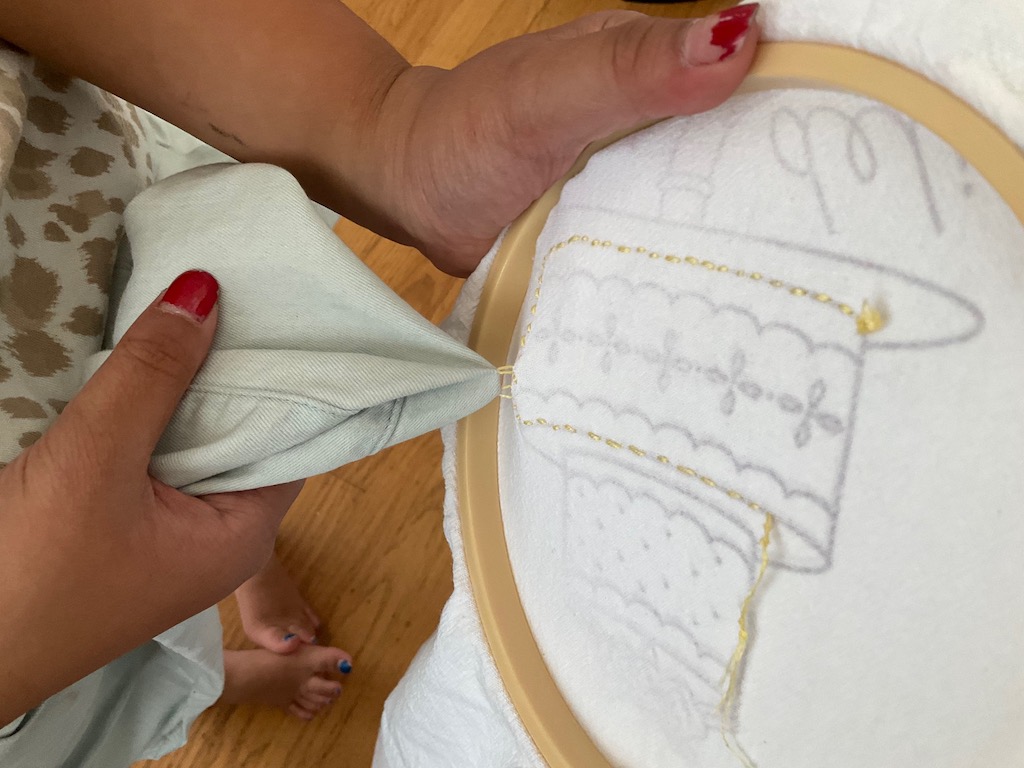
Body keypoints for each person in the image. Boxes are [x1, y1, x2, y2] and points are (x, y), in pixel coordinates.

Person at [0, 0, 760, 763]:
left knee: (197, 459)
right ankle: (220, 675)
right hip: (37, 668)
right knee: (130, 613)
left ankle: (231, 576)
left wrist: (390, 127)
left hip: (93, 227)